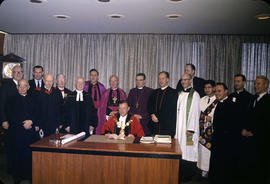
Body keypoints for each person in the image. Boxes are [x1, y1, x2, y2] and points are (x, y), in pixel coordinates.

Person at [209, 83, 242, 184]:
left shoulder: (232, 105)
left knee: (224, 168)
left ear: (226, 91)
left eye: (219, 91)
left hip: (226, 141)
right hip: (218, 139)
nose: (217, 93)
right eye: (216, 91)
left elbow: (232, 124)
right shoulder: (219, 103)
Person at [6, 79, 37, 184]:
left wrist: (31, 121)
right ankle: (17, 178)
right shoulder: (11, 100)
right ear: (17, 87)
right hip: (17, 133)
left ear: (28, 87)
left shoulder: (33, 99)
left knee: (29, 156)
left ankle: (29, 177)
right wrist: (23, 124)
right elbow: (10, 116)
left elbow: (38, 113)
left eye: (25, 86)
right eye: (20, 86)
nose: (22, 88)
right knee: (17, 156)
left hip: (30, 133)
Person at [243, 75, 270, 184]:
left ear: (266, 85)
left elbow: (267, 122)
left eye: (258, 83)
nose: (255, 86)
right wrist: (244, 129)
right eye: (255, 83)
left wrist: (253, 133)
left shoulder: (268, 100)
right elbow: (247, 116)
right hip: (249, 140)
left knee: (261, 168)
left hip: (262, 140)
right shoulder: (252, 98)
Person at [175, 73, 201, 182]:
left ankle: (189, 175)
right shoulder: (180, 94)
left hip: (189, 130)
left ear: (190, 81)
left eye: (186, 79)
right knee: (181, 150)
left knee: (189, 150)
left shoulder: (194, 95)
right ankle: (180, 174)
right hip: (179, 128)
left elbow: (195, 112)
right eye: (182, 80)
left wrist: (190, 129)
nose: (183, 81)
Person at [0, 65, 24, 173]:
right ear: (12, 73)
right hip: (9, 123)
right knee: (10, 147)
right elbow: (1, 104)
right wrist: (3, 120)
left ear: (22, 73)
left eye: (20, 72)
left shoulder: (24, 84)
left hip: (20, 124)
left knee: (19, 147)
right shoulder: (6, 86)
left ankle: (19, 169)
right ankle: (11, 170)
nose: (18, 74)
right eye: (16, 72)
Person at [197, 80, 218, 179]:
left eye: (209, 87)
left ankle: (210, 171)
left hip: (211, 131)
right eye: (205, 88)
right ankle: (202, 171)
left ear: (214, 88)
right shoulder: (202, 99)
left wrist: (212, 119)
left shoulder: (217, 101)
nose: (207, 89)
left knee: (209, 152)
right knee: (201, 151)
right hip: (201, 130)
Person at [148, 71, 178, 137]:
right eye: (159, 78)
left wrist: (158, 117)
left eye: (163, 78)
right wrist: (152, 114)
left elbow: (171, 110)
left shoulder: (173, 93)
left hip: (166, 125)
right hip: (155, 124)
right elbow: (149, 105)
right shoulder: (155, 92)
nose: (160, 80)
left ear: (167, 79)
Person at [33, 74, 63, 138]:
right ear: (43, 81)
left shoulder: (57, 92)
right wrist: (36, 124)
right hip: (42, 124)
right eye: (47, 81)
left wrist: (60, 123)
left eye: (51, 81)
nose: (49, 83)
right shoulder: (37, 92)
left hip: (54, 124)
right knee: (41, 144)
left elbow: (61, 109)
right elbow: (35, 110)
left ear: (53, 82)